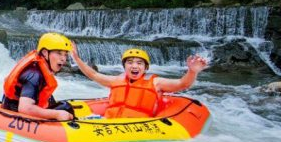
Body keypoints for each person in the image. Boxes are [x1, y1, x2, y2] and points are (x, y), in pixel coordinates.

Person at [70, 44, 208, 118]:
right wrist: (76, 58)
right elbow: (93, 74)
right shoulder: (116, 80)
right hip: (109, 125)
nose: (134, 66)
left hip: (138, 131)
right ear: (124, 66)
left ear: (145, 67)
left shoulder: (156, 83)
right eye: (130, 62)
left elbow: (183, 84)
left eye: (139, 63)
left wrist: (192, 71)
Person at [1, 33, 75, 121]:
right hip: (14, 113)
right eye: (59, 53)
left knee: (63, 106)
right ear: (45, 53)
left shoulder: (41, 68)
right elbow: (25, 108)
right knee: (65, 107)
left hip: (17, 106)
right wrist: (57, 114)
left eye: (65, 54)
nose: (63, 59)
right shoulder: (34, 74)